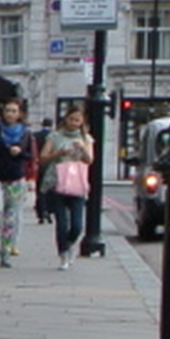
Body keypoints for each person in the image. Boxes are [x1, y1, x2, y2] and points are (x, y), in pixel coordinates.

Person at [41, 105, 97, 269]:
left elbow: (90, 160)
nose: (73, 123)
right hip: (58, 182)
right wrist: (60, 153)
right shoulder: (55, 136)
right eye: (71, 119)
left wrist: (82, 149)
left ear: (82, 122)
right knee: (61, 223)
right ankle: (63, 253)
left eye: (77, 120)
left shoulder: (86, 139)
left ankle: (70, 243)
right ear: (65, 119)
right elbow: (43, 157)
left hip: (77, 183)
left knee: (77, 225)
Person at [0, 99, 36, 267]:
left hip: (16, 178)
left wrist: (20, 152)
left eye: (14, 111)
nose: (10, 114)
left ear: (19, 114)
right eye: (8, 110)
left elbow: (31, 156)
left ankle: (6, 252)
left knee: (11, 218)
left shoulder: (26, 133)